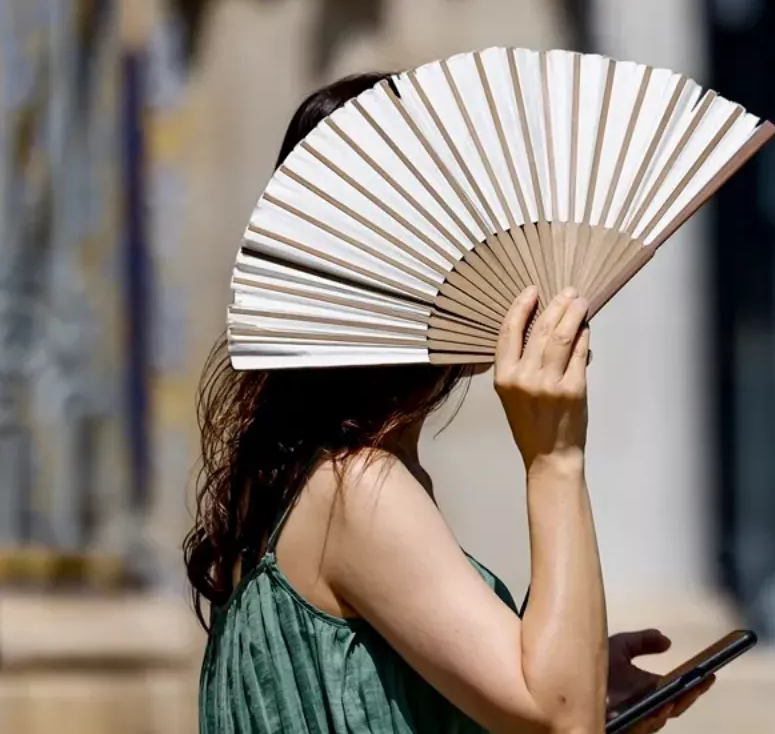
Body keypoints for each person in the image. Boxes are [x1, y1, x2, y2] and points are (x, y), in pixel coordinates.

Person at [185, 73, 715, 734]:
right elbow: (561, 720)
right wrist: (552, 455)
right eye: (472, 228)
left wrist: (575, 667)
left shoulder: (304, 479)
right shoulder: (359, 491)